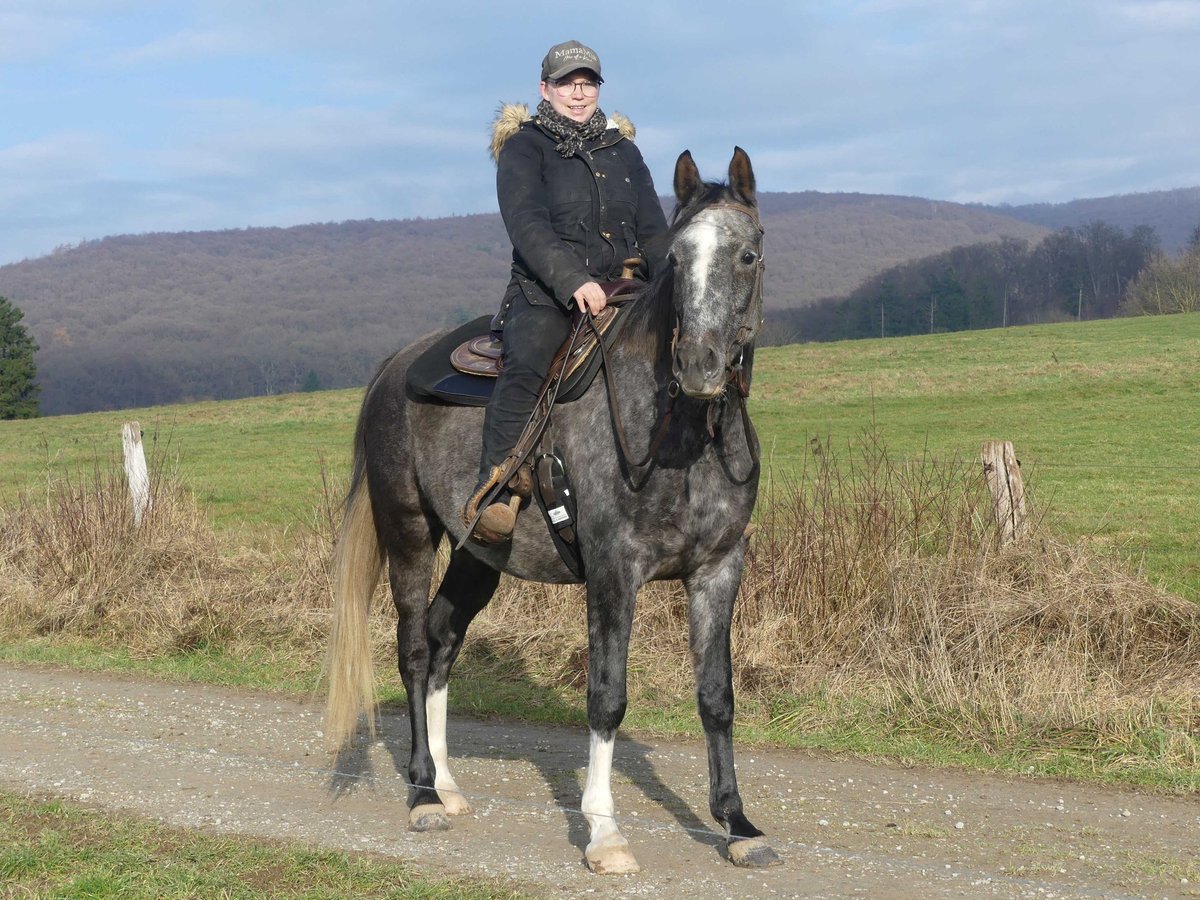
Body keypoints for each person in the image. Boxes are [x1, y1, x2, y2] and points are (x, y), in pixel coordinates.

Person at [464, 39, 669, 543]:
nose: (578, 94)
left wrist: (669, 286)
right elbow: (527, 224)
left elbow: (654, 230)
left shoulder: (624, 151)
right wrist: (574, 280)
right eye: (567, 84)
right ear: (545, 89)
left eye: (587, 84)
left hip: (628, 292)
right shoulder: (525, 147)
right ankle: (497, 488)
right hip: (545, 294)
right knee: (531, 353)